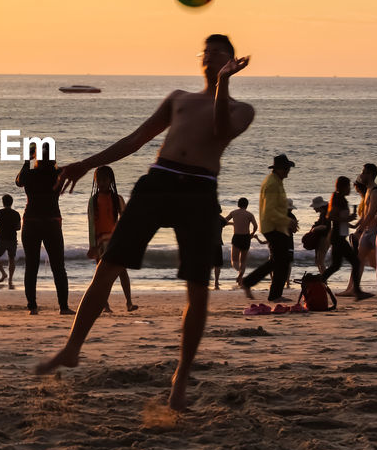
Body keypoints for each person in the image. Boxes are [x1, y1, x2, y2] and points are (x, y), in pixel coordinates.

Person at [36, 34, 254, 410]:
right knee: (108, 266)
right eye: (207, 51)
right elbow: (136, 139)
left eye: (219, 52)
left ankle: (179, 382)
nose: (211, 56)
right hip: (158, 182)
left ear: (232, 61)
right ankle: (72, 349)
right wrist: (85, 164)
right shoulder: (178, 99)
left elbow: (220, 131)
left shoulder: (242, 109)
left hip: (200, 190)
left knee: (197, 288)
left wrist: (222, 84)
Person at [16, 144, 71, 315]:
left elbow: (19, 182)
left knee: (31, 266)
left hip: (31, 221)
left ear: (36, 156)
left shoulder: (30, 174)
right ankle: (63, 307)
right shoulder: (57, 173)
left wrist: (27, 161)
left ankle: (32, 307)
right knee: (58, 267)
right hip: (52, 222)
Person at [241, 154, 297, 302]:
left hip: (276, 226)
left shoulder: (276, 181)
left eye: (288, 168)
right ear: (278, 169)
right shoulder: (272, 183)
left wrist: (288, 223)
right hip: (272, 227)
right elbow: (270, 210)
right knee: (281, 261)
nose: (288, 171)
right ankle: (273, 294)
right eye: (285, 168)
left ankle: (250, 283)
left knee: (278, 260)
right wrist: (287, 221)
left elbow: (278, 207)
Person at [87, 166, 136, 312]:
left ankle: (129, 302)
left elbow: (126, 221)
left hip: (116, 241)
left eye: (104, 180)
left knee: (122, 271)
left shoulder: (117, 199)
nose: (102, 183)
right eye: (99, 180)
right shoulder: (93, 201)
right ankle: (105, 304)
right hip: (100, 242)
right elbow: (91, 224)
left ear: (110, 181)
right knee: (101, 276)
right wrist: (92, 246)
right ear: (96, 181)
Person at [319, 176, 368, 298]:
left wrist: (349, 221)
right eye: (348, 186)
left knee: (336, 265)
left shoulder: (339, 198)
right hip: (338, 237)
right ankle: (357, 291)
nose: (350, 189)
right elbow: (330, 216)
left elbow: (338, 218)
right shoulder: (337, 199)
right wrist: (347, 218)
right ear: (343, 187)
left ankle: (318, 282)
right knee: (355, 262)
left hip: (338, 236)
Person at [348, 163, 377, 292]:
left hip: (376, 232)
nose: (361, 175)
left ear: (370, 174)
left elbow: (371, 214)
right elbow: (365, 215)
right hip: (368, 232)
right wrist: (356, 225)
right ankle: (352, 289)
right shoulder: (369, 190)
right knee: (358, 260)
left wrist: (359, 229)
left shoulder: (375, 191)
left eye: (363, 172)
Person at [224, 197, 261, 289]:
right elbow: (256, 226)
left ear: (238, 204)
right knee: (243, 260)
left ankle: (240, 274)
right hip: (246, 238)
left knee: (234, 261)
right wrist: (252, 234)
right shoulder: (249, 214)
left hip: (237, 237)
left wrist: (232, 223)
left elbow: (224, 221)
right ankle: (240, 277)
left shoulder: (233, 213)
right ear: (247, 205)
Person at [0, 194, 21, 289]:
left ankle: (4, 274)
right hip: (12, 239)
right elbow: (18, 228)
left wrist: (1, 223)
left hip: (2, 239)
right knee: (11, 259)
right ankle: (10, 279)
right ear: (12, 203)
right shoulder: (16, 214)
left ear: (3, 203)